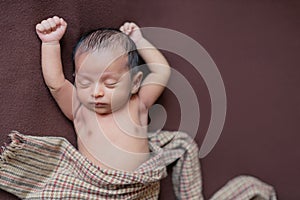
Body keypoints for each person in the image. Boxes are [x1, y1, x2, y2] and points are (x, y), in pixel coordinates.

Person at [35, 16, 171, 171]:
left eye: (110, 84)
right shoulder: (80, 109)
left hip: (139, 186)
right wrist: (50, 43)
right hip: (96, 188)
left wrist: (139, 42)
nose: (96, 92)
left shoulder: (138, 103)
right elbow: (56, 84)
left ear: (134, 83)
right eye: (85, 83)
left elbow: (161, 71)